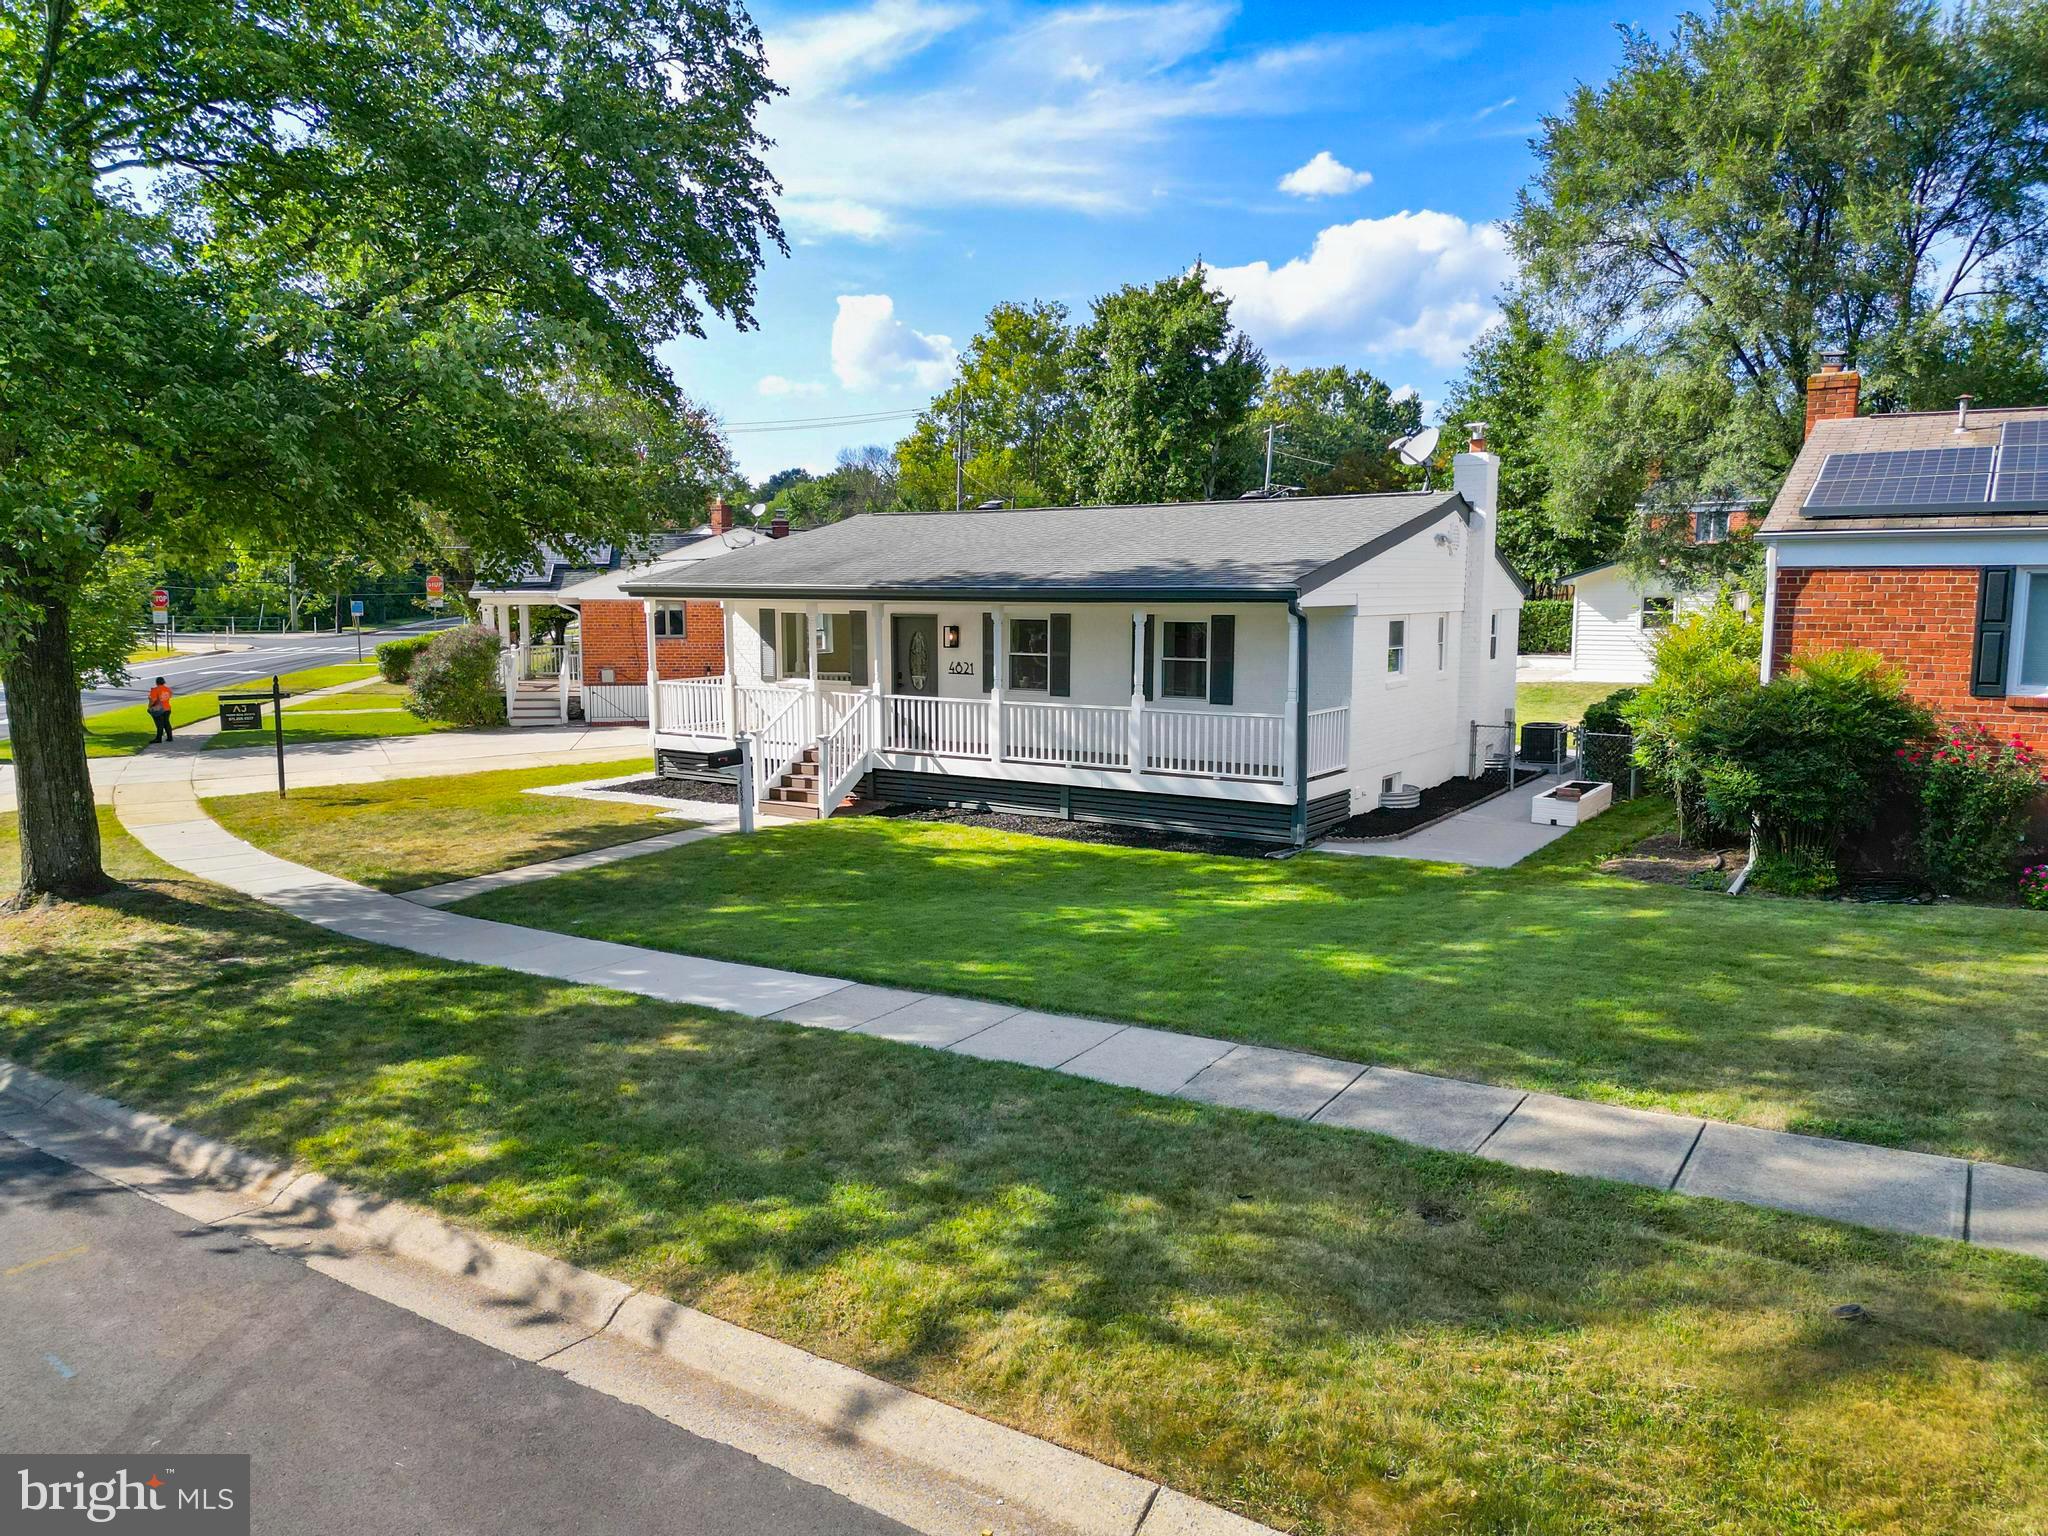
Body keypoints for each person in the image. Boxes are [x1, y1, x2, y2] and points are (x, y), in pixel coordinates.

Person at [147, 677, 175, 744]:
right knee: (166, 723)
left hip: (159, 709)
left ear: (156, 682)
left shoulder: (155, 690)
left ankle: (158, 739)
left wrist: (150, 706)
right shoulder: (168, 689)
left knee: (159, 724)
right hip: (167, 708)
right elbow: (170, 696)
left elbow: (153, 700)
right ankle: (170, 737)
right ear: (163, 682)